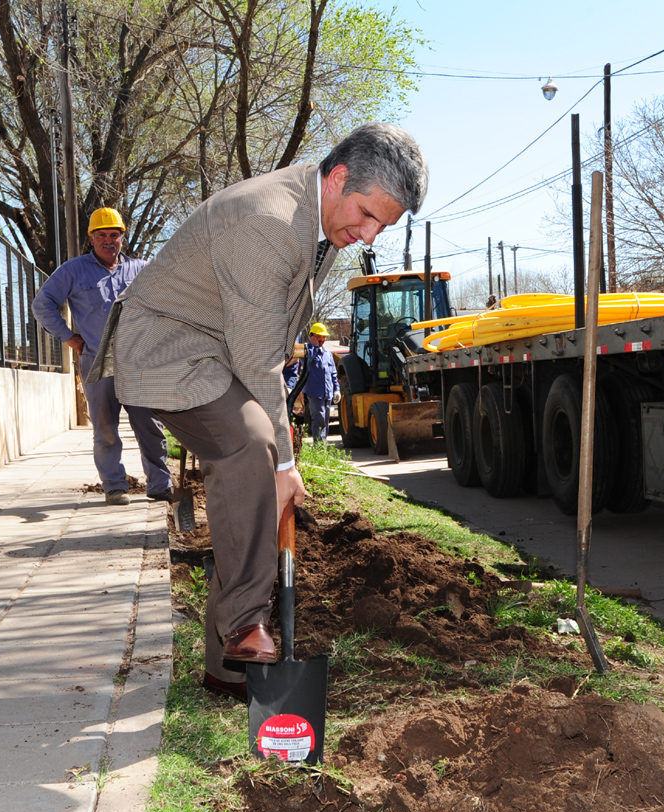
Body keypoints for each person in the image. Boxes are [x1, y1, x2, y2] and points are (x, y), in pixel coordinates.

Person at [89, 123, 426, 702]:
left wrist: (281, 453)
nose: (367, 233)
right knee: (251, 446)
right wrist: (285, 460)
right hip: (172, 350)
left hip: (213, 350)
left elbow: (266, 337)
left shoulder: (317, 221)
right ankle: (247, 621)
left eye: (382, 227)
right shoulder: (270, 221)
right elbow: (254, 357)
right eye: (367, 214)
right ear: (340, 178)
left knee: (252, 487)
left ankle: (226, 665)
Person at [33, 208, 172, 506]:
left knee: (150, 426)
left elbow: (167, 304)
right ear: (92, 239)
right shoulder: (73, 271)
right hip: (98, 361)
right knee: (106, 428)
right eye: (102, 236)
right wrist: (68, 337)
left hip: (138, 363)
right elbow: (42, 304)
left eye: (114, 235)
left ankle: (160, 485)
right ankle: (114, 486)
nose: (109, 241)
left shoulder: (141, 270)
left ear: (122, 237)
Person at [298, 322, 340, 443]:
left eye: (323, 337)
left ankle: (323, 444)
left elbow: (333, 372)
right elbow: (307, 360)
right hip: (314, 392)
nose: (321, 339)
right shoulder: (306, 351)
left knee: (325, 419)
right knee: (319, 418)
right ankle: (318, 444)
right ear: (311, 336)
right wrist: (314, 346)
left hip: (327, 392)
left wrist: (336, 389)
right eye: (318, 336)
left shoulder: (327, 353)